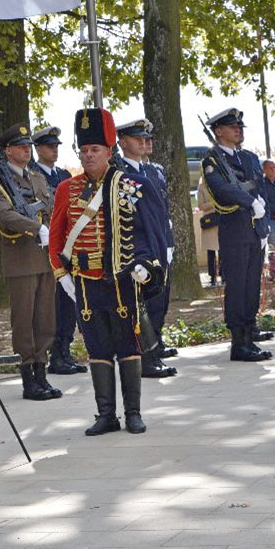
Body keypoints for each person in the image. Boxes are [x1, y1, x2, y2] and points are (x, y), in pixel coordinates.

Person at [48, 108, 170, 435]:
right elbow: (57, 237)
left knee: (128, 345)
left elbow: (148, 232)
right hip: (85, 285)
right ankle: (106, 414)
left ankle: (133, 413)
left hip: (121, 281)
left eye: (95, 150)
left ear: (109, 151)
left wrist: (146, 265)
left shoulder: (132, 185)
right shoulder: (66, 190)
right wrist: (64, 278)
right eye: (84, 151)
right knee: (96, 349)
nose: (88, 156)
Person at [0, 123, 61, 400]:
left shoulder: (37, 178)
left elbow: (52, 208)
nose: (26, 150)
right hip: (20, 260)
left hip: (44, 257)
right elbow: (3, 215)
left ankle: (42, 374)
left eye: (28, 145)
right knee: (23, 321)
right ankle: (28, 379)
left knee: (45, 319)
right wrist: (35, 228)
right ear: (7, 151)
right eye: (20, 146)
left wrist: (52, 232)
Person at [201, 108, 273, 362]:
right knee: (237, 286)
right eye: (232, 126)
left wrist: (262, 219)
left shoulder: (250, 158)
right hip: (234, 229)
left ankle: (250, 335)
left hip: (254, 229)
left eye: (240, 126)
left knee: (252, 284)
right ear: (218, 131)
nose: (238, 130)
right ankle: (238, 342)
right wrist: (250, 202)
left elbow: (261, 188)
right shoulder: (212, 160)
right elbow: (222, 190)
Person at [113, 119, 178, 378]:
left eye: (145, 137)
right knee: (142, 305)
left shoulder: (153, 171)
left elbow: (162, 209)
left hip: (159, 244)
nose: (143, 141)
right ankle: (144, 357)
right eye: (136, 137)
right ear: (122, 142)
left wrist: (168, 240)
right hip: (138, 247)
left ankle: (154, 347)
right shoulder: (118, 172)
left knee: (159, 301)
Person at [31, 125, 87, 375]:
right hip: (46, 246)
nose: (54, 151)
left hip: (68, 245)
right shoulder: (31, 175)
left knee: (68, 301)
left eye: (56, 147)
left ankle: (64, 350)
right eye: (48, 146)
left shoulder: (64, 175)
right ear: (38, 149)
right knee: (51, 303)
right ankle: (53, 354)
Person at [197, 172, 222, 286]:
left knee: (222, 250)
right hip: (209, 221)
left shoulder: (219, 185)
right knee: (211, 251)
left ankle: (223, 275)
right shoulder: (201, 188)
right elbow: (201, 205)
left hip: (221, 220)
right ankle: (212, 277)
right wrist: (213, 203)